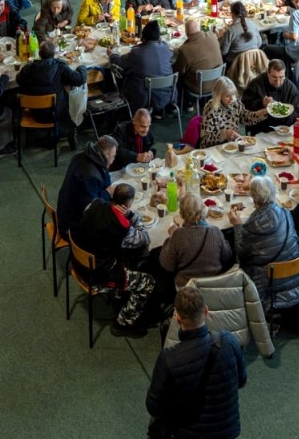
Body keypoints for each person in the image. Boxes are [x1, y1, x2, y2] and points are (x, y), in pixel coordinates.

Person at [145, 286, 247, 439]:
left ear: (177, 317)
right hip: (227, 431)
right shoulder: (229, 341)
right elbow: (242, 380)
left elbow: (154, 407)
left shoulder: (169, 358)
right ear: (206, 311)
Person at [74, 182, 154, 337]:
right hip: (99, 275)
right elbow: (144, 238)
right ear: (128, 204)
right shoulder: (121, 227)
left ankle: (118, 297)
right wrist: (132, 216)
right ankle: (123, 323)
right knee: (147, 282)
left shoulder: (95, 204)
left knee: (125, 256)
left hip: (79, 261)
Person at [229, 175, 299, 312]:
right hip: (298, 280)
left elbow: (240, 251)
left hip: (270, 288)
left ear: (253, 198)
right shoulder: (286, 213)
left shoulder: (252, 224)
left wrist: (237, 226)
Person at [160, 194, 234, 289]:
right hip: (213, 285)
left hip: (188, 287)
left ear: (181, 214)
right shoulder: (215, 231)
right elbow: (227, 256)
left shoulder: (177, 234)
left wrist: (170, 237)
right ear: (203, 210)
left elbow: (167, 266)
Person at [56, 135, 118, 240]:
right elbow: (90, 208)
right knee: (115, 229)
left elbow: (105, 181)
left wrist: (106, 166)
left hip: (65, 212)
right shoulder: (91, 176)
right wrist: (107, 194)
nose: (114, 159)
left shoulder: (83, 155)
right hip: (72, 227)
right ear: (106, 154)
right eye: (113, 156)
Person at [16, 39, 86, 125]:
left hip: (35, 113)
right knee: (66, 89)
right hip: (57, 113)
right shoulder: (60, 66)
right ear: (54, 54)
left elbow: (19, 80)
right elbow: (80, 80)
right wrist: (82, 67)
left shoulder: (28, 68)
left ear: (39, 54)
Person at [199, 76, 268, 147]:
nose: (232, 99)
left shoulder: (235, 103)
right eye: (227, 96)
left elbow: (247, 118)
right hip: (214, 147)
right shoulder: (211, 109)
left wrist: (263, 113)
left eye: (233, 94)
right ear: (219, 95)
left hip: (232, 145)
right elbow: (205, 139)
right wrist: (224, 134)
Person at [242, 59, 299, 133]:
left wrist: (286, 113)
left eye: (281, 77)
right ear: (268, 74)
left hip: (284, 128)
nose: (278, 82)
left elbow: (296, 113)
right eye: (274, 77)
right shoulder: (255, 84)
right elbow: (244, 108)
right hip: (262, 128)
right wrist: (261, 103)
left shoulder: (291, 88)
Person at [174, 19, 225, 96]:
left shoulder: (185, 49)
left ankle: (185, 101)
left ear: (186, 32)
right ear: (199, 29)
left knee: (178, 80)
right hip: (218, 82)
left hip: (198, 87)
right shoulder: (213, 36)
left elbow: (179, 71)